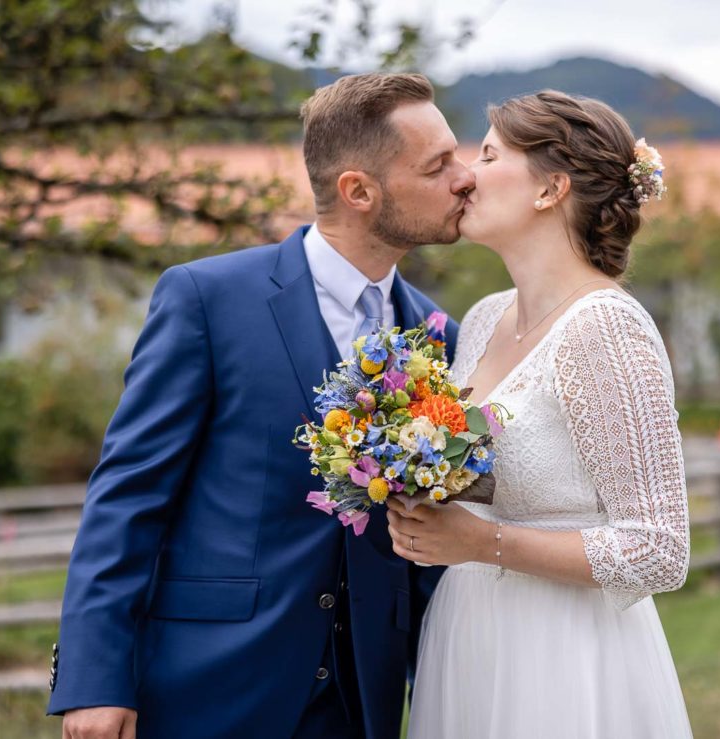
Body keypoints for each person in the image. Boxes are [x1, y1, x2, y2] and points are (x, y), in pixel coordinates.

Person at [48, 72, 475, 739]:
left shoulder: (438, 335)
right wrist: (93, 678)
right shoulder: (207, 299)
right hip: (210, 684)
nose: (465, 177)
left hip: (363, 697)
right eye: (438, 165)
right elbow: (128, 497)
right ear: (358, 191)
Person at [387, 90, 693, 738]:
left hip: (565, 655)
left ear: (550, 188)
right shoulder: (481, 321)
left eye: (490, 154)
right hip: (469, 636)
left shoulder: (607, 330)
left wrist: (482, 542)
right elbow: (477, 479)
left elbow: (660, 549)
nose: (466, 174)